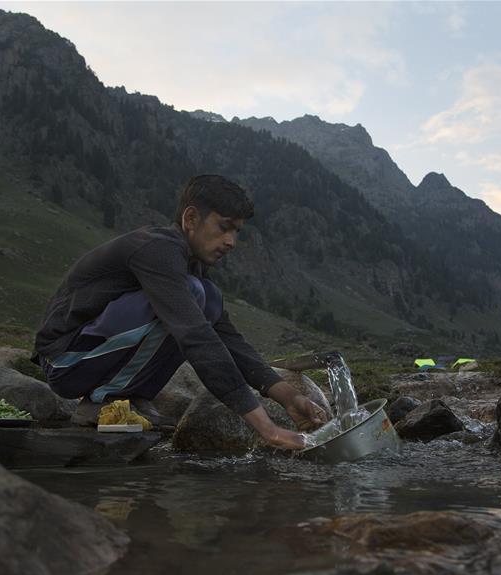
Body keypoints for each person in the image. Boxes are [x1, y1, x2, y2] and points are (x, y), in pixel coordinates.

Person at [32, 174, 327, 449]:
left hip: (89, 357)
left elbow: (228, 339)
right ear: (191, 218)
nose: (231, 242)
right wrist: (267, 428)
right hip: (65, 360)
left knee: (206, 299)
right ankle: (103, 401)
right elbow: (196, 337)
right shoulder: (157, 250)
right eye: (224, 227)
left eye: (236, 232)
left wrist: (288, 398)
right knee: (194, 299)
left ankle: (129, 397)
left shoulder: (191, 267)